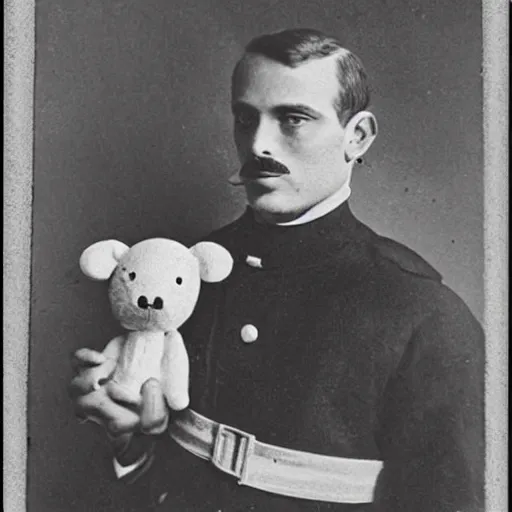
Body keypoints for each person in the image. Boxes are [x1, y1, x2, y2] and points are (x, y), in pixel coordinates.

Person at [70, 28, 485, 511]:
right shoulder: (183, 274)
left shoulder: (424, 315)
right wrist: (127, 440)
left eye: (293, 119)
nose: (259, 144)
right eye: (246, 119)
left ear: (358, 137)